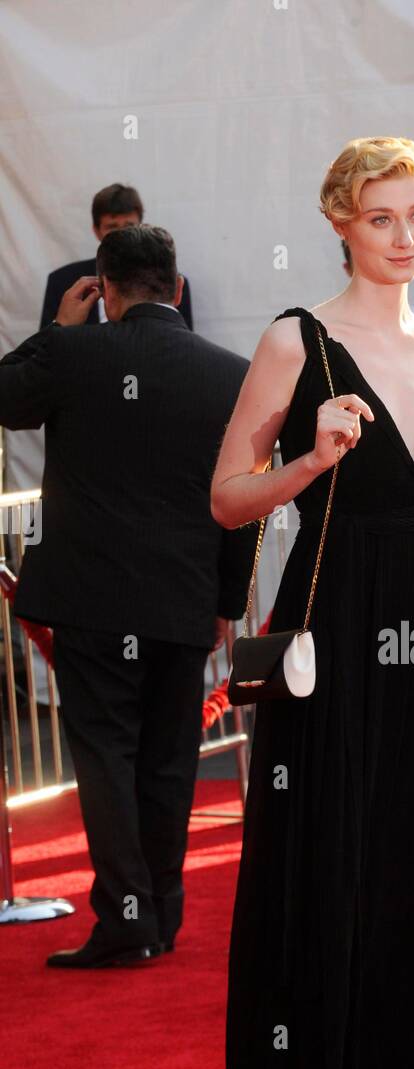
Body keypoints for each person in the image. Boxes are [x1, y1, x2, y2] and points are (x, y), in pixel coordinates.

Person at [193, 136, 414, 1069]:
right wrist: (310, 462)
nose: (404, 237)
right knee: (327, 884)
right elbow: (226, 498)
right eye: (381, 217)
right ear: (340, 223)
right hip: (333, 638)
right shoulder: (295, 342)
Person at [0, 224, 256, 967]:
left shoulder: (74, 353)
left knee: (107, 758)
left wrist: (55, 331)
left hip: (91, 601)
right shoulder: (230, 374)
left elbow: (5, 397)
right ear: (176, 287)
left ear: (103, 291)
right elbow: (246, 502)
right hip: (183, 600)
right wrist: (227, 603)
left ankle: (127, 920)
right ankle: (161, 919)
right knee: (171, 761)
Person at [39, 183, 194, 330]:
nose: (121, 235)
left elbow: (184, 346)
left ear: (141, 225)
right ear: (96, 230)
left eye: (129, 226)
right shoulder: (61, 282)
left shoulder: (168, 282)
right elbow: (45, 353)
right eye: (112, 227)